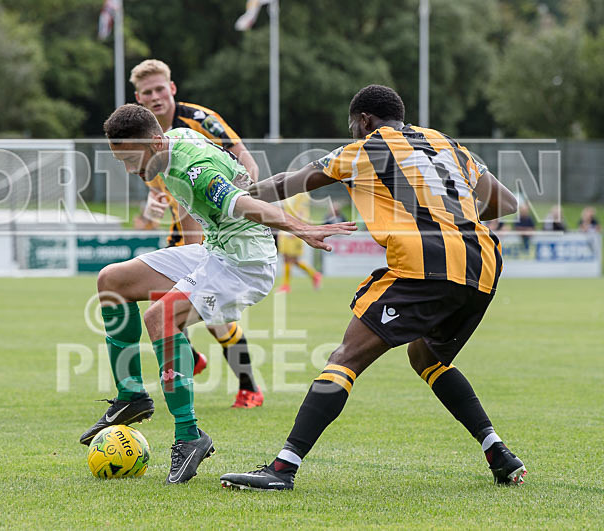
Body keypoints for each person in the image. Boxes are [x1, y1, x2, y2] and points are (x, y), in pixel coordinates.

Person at [220, 84, 526, 491]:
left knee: (345, 357)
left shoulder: (365, 146)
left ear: (364, 120)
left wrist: (231, 196)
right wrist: (452, 214)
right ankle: (499, 453)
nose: (352, 133)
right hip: (483, 265)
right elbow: (505, 204)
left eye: (353, 126)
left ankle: (282, 469)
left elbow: (288, 183)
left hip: (425, 264)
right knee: (426, 356)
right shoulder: (446, 143)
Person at [79, 104, 357, 484]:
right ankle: (131, 395)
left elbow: (244, 202)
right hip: (217, 249)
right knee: (112, 280)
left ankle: (189, 436)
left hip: (245, 264)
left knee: (159, 317)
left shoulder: (194, 171)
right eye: (121, 160)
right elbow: (234, 165)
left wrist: (300, 227)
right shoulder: (174, 139)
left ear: (155, 140)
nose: (130, 169)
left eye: (131, 158)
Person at [130, 59, 264, 408]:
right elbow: (153, 200)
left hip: (216, 226)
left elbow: (246, 160)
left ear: (172, 88)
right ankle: (188, 356)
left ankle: (249, 385)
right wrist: (149, 211)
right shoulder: (142, 135)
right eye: (148, 92)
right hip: (181, 227)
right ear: (139, 98)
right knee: (163, 301)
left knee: (211, 313)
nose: (156, 96)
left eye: (161, 89)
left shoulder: (200, 121)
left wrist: (238, 208)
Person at [276, 192, 322, 293]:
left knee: (289, 258)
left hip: (293, 229)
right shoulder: (289, 191)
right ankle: (314, 275)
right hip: (287, 228)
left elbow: (302, 212)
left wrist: (297, 229)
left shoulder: (301, 193)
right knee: (290, 259)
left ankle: (286, 285)